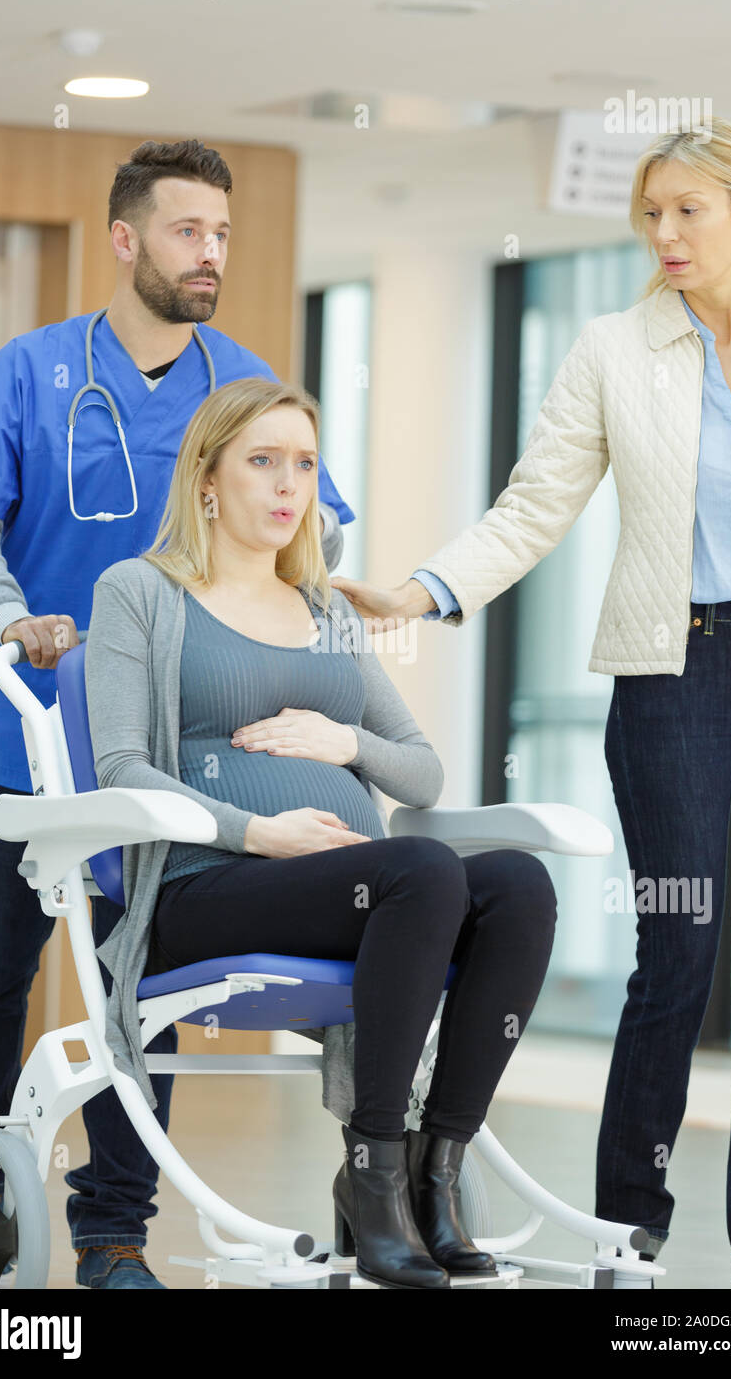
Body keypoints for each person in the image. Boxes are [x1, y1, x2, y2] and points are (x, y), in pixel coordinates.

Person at [330, 117, 731, 1290]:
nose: (664, 234)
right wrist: (422, 591)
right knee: (678, 949)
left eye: (687, 210)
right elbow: (533, 505)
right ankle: (625, 1233)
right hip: (669, 670)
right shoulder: (610, 347)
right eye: (649, 214)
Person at [0, 138, 352, 1289]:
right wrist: (11, 616)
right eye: (185, 231)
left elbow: (307, 531)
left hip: (182, 751)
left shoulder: (245, 383)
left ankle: (113, 1235)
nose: (209, 252)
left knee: (139, 983)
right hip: (38, 730)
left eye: (220, 233)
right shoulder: (31, 372)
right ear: (125, 241)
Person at [83, 374, 559, 1291]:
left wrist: (344, 740)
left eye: (303, 463)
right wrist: (260, 833)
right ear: (208, 480)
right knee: (422, 871)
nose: (287, 485)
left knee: (519, 886)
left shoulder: (327, 611)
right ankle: (373, 1171)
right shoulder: (139, 593)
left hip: (351, 890)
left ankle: (433, 1170)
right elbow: (122, 769)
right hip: (202, 889)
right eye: (262, 462)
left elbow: (421, 771)